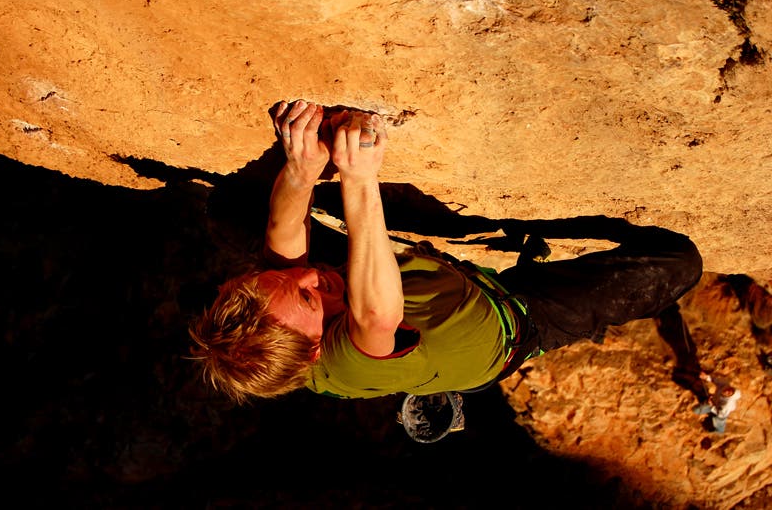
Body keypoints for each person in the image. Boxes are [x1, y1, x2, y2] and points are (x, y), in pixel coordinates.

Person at [188, 99, 705, 406]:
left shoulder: (290, 314)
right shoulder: (343, 358)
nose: (309, 275)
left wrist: (302, 169)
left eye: (282, 282)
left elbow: (283, 251)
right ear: (316, 350)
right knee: (678, 261)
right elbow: (375, 315)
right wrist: (357, 176)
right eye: (307, 297)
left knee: (233, 213)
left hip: (391, 294)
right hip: (515, 322)